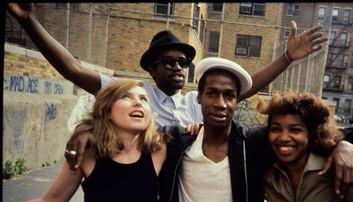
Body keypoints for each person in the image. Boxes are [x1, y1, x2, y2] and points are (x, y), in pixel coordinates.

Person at [158, 58, 353, 202]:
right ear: (199, 97)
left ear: (237, 101)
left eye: (229, 96)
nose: (221, 103)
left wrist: (343, 145)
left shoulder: (251, 144)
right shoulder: (178, 141)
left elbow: (302, 132)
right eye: (212, 93)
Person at [7, 3, 327, 129]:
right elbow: (73, 69)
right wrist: (29, 21)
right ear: (152, 69)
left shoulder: (193, 104)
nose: (179, 67)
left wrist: (286, 58)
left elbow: (243, 88)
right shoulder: (133, 95)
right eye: (169, 62)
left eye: (184, 62)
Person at [3, 79, 169, 202]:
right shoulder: (87, 153)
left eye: (144, 99)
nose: (138, 103)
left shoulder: (161, 150)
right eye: (126, 97)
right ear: (107, 110)